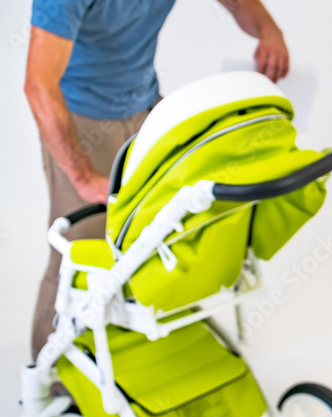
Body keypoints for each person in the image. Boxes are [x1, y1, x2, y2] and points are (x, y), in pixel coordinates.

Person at [26, 0, 290, 364]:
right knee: (77, 259)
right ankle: (49, 376)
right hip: (81, 122)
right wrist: (84, 177)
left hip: (148, 109)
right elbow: (38, 85)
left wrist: (268, 29)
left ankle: (142, 355)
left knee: (165, 238)